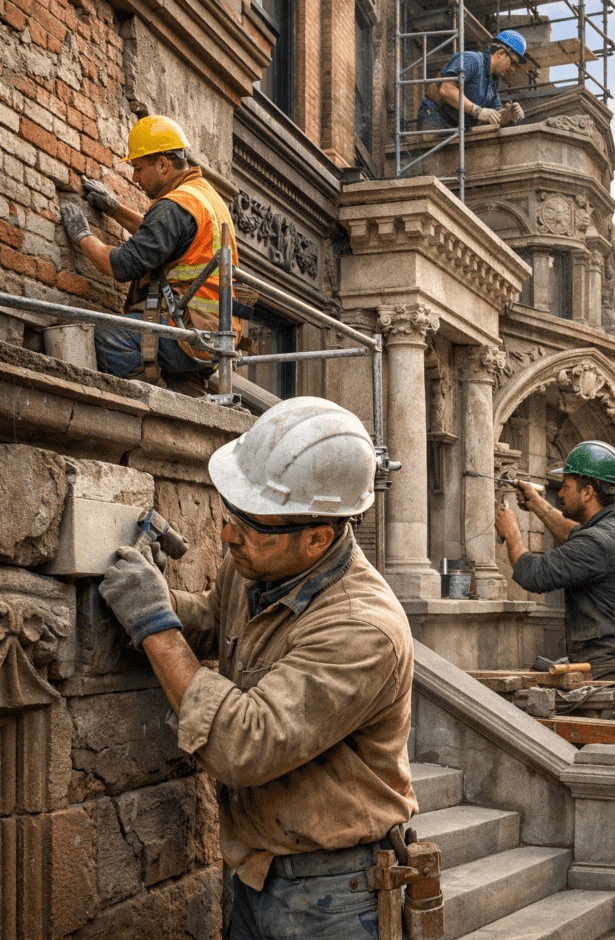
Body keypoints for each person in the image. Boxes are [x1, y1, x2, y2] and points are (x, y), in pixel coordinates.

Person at [99, 397, 417, 939]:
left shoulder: (363, 629)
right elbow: (210, 621)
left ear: (318, 536)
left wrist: (153, 624)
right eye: (232, 517)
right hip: (256, 869)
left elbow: (241, 744)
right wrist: (155, 595)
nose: (228, 536)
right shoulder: (260, 563)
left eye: (251, 527)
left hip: (335, 895)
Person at [59, 115, 242, 397]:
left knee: (103, 338)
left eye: (138, 167)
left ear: (162, 163)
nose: (134, 177)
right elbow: (163, 237)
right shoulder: (203, 197)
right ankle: (185, 389)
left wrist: (83, 236)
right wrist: (115, 209)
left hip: (186, 331)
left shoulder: (176, 205)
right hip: (214, 335)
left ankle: (155, 395)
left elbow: (121, 264)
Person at [494, 440, 615, 680]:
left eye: (565, 486)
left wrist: (512, 533)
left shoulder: (597, 543)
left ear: (588, 492)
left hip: (607, 673)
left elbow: (533, 574)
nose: (559, 493)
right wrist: (537, 504)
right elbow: (574, 533)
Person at [416, 30, 527, 131]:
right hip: (436, 115)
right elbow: (446, 89)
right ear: (501, 53)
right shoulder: (472, 60)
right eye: (513, 63)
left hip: (458, 125)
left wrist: (509, 113)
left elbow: (496, 116)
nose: (513, 69)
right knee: (436, 151)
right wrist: (477, 111)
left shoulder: (493, 82)